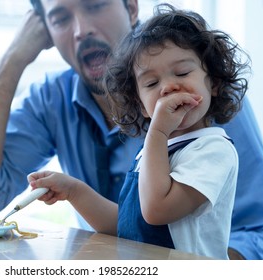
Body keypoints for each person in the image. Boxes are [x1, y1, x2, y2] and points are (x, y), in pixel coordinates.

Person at [0, 0, 263, 259]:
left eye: (95, 4)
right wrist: (14, 59)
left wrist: (196, 262)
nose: (81, 30)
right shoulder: (52, 100)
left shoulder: (199, 105)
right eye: (60, 18)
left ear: (131, 7)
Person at [27, 3, 248, 259]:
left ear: (215, 84)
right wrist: (75, 191)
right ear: (141, 106)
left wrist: (157, 133)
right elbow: (128, 225)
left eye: (183, 72)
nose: (168, 87)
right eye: (152, 83)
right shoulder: (155, 150)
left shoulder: (212, 149)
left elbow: (156, 211)